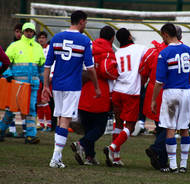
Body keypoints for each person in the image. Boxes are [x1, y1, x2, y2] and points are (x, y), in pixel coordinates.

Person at [42, 10, 100, 168]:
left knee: (61, 119)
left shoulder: (56, 38)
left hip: (57, 85)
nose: (86, 25)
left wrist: (46, 86)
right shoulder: (84, 40)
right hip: (72, 86)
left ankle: (57, 156)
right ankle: (55, 158)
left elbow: (47, 66)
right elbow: (90, 68)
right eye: (86, 22)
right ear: (81, 21)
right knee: (65, 120)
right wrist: (96, 86)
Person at [151, 23, 190, 173]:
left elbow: (159, 81)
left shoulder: (164, 53)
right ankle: (183, 165)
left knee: (170, 129)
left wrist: (153, 100)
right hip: (186, 92)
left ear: (166, 34)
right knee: (184, 128)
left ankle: (173, 165)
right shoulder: (189, 50)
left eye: (162, 36)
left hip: (171, 93)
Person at [70, 26, 119, 166]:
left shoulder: (88, 47)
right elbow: (107, 72)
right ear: (112, 38)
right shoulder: (109, 52)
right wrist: (116, 73)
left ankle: (90, 157)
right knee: (99, 128)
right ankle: (81, 144)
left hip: (83, 92)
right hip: (99, 93)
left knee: (89, 128)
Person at [103, 28, 147, 167]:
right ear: (129, 36)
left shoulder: (117, 53)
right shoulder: (140, 48)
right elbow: (152, 57)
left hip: (117, 91)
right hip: (131, 92)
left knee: (118, 123)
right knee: (130, 126)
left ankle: (116, 158)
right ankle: (112, 147)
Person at [0, 22, 45, 144]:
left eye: (31, 31)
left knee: (31, 109)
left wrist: (45, 84)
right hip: (17, 84)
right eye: (27, 31)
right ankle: (1, 130)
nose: (29, 33)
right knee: (11, 110)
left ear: (34, 33)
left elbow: (41, 67)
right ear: (24, 32)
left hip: (33, 85)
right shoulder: (14, 46)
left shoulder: (38, 47)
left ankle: (30, 136)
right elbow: (4, 62)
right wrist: (7, 74)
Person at [139, 40, 168, 171]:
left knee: (160, 126)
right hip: (168, 92)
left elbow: (143, 71)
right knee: (169, 128)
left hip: (152, 92)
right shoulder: (181, 51)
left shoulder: (152, 52)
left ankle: (162, 162)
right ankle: (156, 150)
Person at [36, 31, 52, 131]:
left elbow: (53, 62)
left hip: (47, 78)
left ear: (46, 39)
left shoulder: (49, 48)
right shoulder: (36, 48)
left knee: (45, 100)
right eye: (40, 38)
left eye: (43, 37)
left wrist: (51, 75)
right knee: (38, 101)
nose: (41, 39)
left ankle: (49, 125)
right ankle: (41, 123)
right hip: (37, 78)